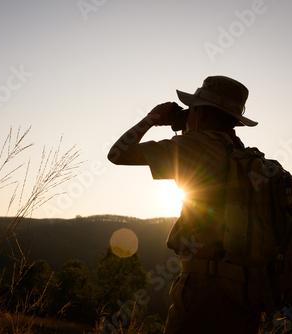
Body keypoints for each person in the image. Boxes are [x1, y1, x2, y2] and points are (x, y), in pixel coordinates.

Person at [107, 76, 262, 334]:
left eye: (192, 109)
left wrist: (153, 117)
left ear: (199, 112)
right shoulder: (244, 153)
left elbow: (117, 153)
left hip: (205, 290)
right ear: (235, 121)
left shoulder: (193, 147)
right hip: (246, 291)